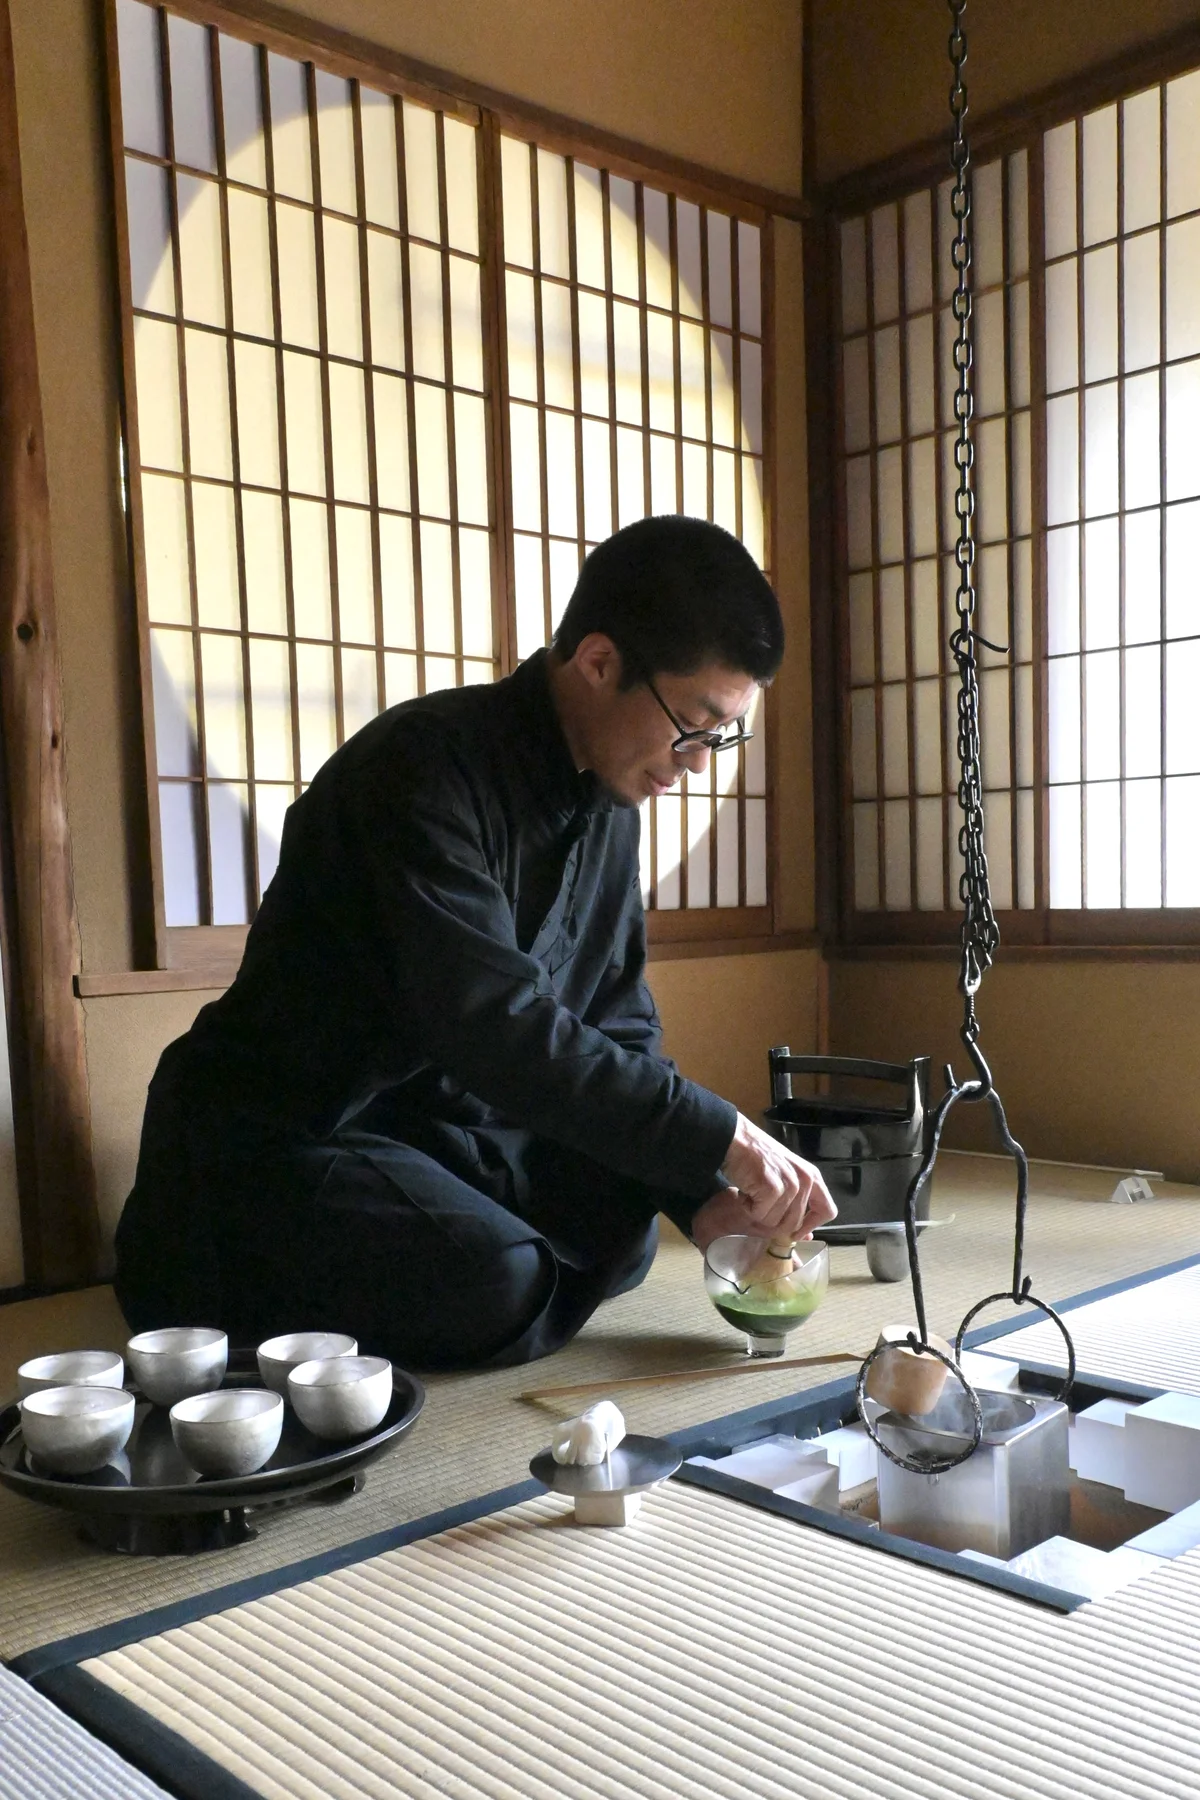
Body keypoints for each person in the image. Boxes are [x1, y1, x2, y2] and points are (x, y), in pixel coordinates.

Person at [114, 516, 836, 1369]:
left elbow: (619, 1023)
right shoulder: (419, 770)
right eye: (696, 725)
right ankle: (213, 1286)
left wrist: (699, 1197)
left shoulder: (610, 799)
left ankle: (506, 1278)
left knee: (624, 1229)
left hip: (433, 1131)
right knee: (498, 1277)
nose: (700, 761)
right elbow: (497, 1028)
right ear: (600, 663)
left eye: (725, 734)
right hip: (290, 1129)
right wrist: (729, 1139)